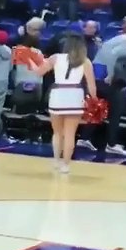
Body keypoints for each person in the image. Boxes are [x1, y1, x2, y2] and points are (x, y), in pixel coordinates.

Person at [31, 33, 97, 173]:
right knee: (70, 134)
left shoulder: (55, 58)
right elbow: (92, 86)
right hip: (75, 96)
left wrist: (29, 60)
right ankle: (66, 165)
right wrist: (95, 101)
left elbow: (38, 72)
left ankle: (56, 161)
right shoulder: (85, 61)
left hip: (58, 95)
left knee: (57, 132)